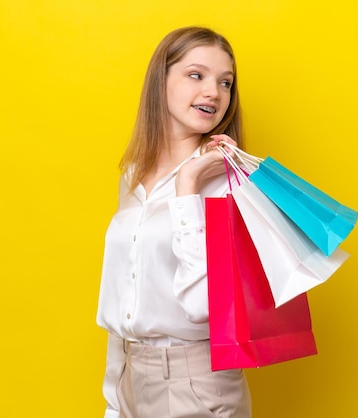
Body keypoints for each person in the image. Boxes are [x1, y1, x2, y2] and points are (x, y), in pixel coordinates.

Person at [96, 26, 252, 418]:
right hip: (131, 377)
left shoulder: (230, 180)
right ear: (159, 81)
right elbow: (123, 297)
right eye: (196, 75)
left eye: (225, 82)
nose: (214, 93)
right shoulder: (132, 174)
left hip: (197, 384)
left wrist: (189, 186)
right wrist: (115, 401)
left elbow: (204, 307)